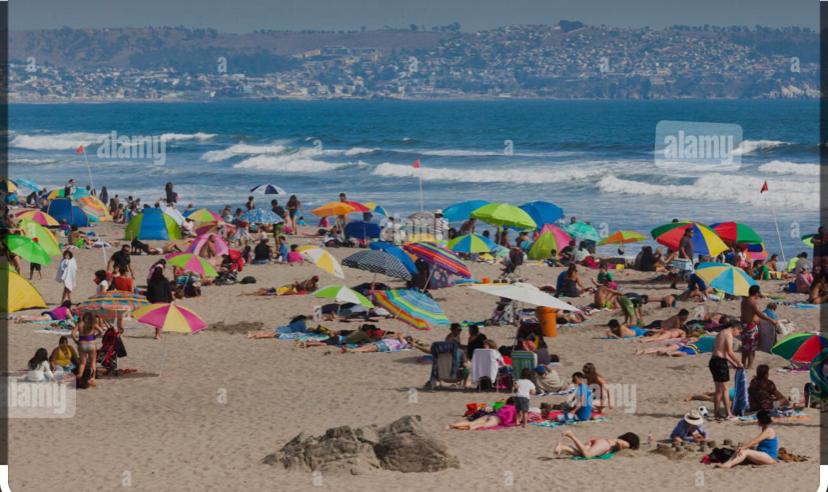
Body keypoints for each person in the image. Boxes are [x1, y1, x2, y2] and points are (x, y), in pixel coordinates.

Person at [709, 320, 743, 420]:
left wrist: (733, 364)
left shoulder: (721, 333)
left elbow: (723, 352)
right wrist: (738, 362)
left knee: (718, 390)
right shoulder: (728, 334)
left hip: (714, 361)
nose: (738, 334)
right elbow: (730, 351)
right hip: (719, 362)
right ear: (735, 328)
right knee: (725, 389)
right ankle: (729, 414)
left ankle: (716, 413)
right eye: (739, 332)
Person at [740, 285, 779, 369]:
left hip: (744, 326)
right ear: (756, 293)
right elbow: (760, 314)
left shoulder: (744, 300)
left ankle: (742, 364)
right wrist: (771, 320)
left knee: (745, 347)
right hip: (751, 327)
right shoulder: (753, 302)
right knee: (752, 348)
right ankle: (749, 366)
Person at [554, 430, 639, 458]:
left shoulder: (620, 439)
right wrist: (619, 448)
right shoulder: (627, 444)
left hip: (600, 441)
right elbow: (620, 443)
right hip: (605, 444)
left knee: (581, 454)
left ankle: (564, 447)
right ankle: (571, 435)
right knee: (588, 455)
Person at [72, 312, 103, 383]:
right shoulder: (93, 324)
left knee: (82, 363)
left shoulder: (80, 324)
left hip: (82, 344)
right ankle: (92, 378)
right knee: (93, 362)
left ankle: (80, 375)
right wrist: (95, 336)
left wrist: (76, 341)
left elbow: (72, 333)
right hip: (92, 344)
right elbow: (101, 331)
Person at [448, 399, 517, 430]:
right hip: (496, 420)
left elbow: (495, 406)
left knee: (472, 423)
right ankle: (454, 426)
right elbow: (515, 420)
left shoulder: (503, 405)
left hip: (490, 415)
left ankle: (454, 425)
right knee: (479, 426)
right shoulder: (514, 408)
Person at [342, 333, 413, 353]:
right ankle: (350, 349)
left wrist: (403, 336)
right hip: (383, 343)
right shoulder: (399, 341)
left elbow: (399, 334)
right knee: (366, 348)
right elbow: (397, 335)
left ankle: (349, 350)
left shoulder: (404, 343)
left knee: (366, 349)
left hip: (384, 345)